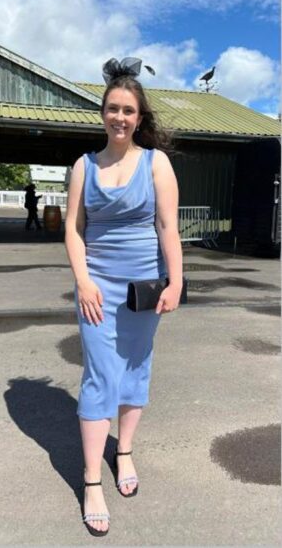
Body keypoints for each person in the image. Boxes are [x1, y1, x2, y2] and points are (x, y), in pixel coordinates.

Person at [63, 58, 183, 537]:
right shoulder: (83, 166)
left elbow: (168, 227)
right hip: (96, 286)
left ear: (139, 117)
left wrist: (176, 281)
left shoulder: (156, 163)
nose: (119, 117)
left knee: (136, 366)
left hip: (145, 287)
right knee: (99, 373)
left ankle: (125, 450)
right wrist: (84, 279)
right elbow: (74, 231)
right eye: (112, 108)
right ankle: (92, 479)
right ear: (102, 113)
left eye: (128, 111)